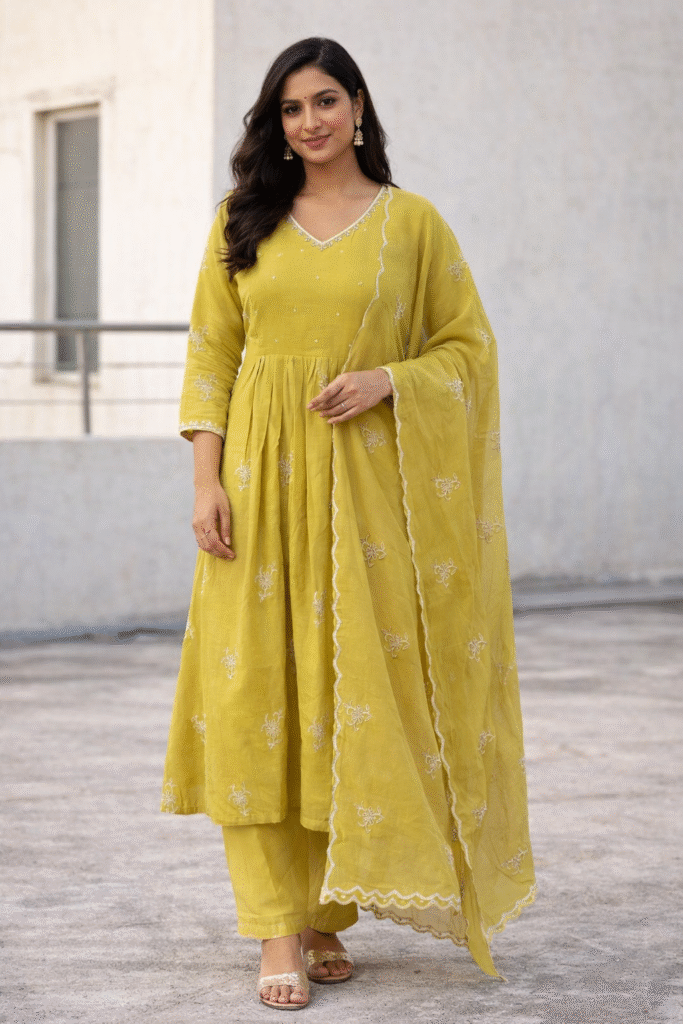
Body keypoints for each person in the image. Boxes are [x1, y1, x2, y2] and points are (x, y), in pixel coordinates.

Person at [161, 36, 535, 1011]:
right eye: (290, 108)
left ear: (358, 107)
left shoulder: (411, 225)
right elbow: (210, 355)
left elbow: (468, 349)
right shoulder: (242, 221)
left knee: (345, 695)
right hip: (256, 489)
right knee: (255, 698)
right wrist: (205, 483)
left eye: (325, 101)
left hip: (364, 499)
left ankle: (326, 908)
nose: (309, 122)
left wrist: (389, 380)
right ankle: (274, 927)